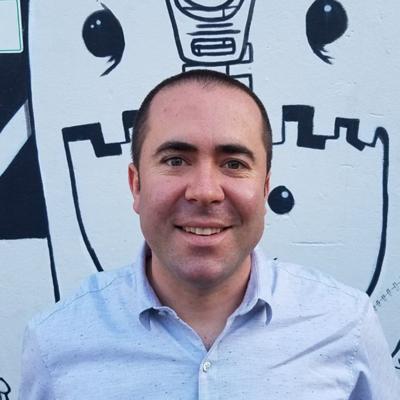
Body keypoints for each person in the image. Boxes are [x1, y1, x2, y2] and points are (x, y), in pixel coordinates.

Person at [19, 70, 399, 399]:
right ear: (136, 185)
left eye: (234, 163)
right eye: (175, 160)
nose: (205, 191)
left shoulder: (346, 326)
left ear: (265, 189)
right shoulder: (56, 342)